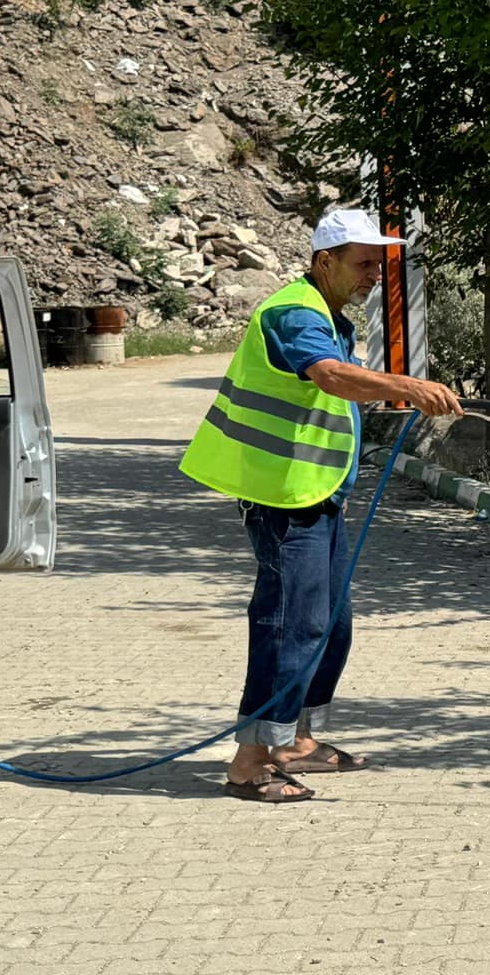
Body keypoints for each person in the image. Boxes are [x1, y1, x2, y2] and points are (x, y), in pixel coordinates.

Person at [179, 210, 462, 804]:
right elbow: (331, 378)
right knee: (290, 623)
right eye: (363, 265)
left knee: (330, 623)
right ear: (323, 260)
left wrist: (399, 395)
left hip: (317, 490)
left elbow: (335, 387)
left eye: (377, 267)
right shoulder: (293, 311)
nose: (372, 277)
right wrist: (409, 387)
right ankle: (250, 760)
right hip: (282, 495)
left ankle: (295, 742)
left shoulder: (333, 319)